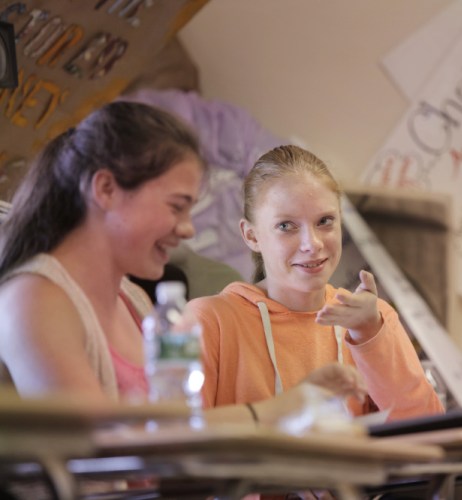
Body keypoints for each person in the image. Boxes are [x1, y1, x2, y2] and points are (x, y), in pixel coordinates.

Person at [0, 102, 367, 426]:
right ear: (106, 190)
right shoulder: (34, 298)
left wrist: (294, 407)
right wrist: (277, 410)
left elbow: (176, 431)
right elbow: (100, 453)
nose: (188, 228)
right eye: (176, 207)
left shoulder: (135, 302)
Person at [187, 144, 444, 421]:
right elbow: (176, 438)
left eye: (325, 221)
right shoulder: (207, 321)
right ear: (251, 236)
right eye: (286, 226)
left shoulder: (371, 318)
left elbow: (428, 430)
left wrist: (371, 336)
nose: (313, 244)